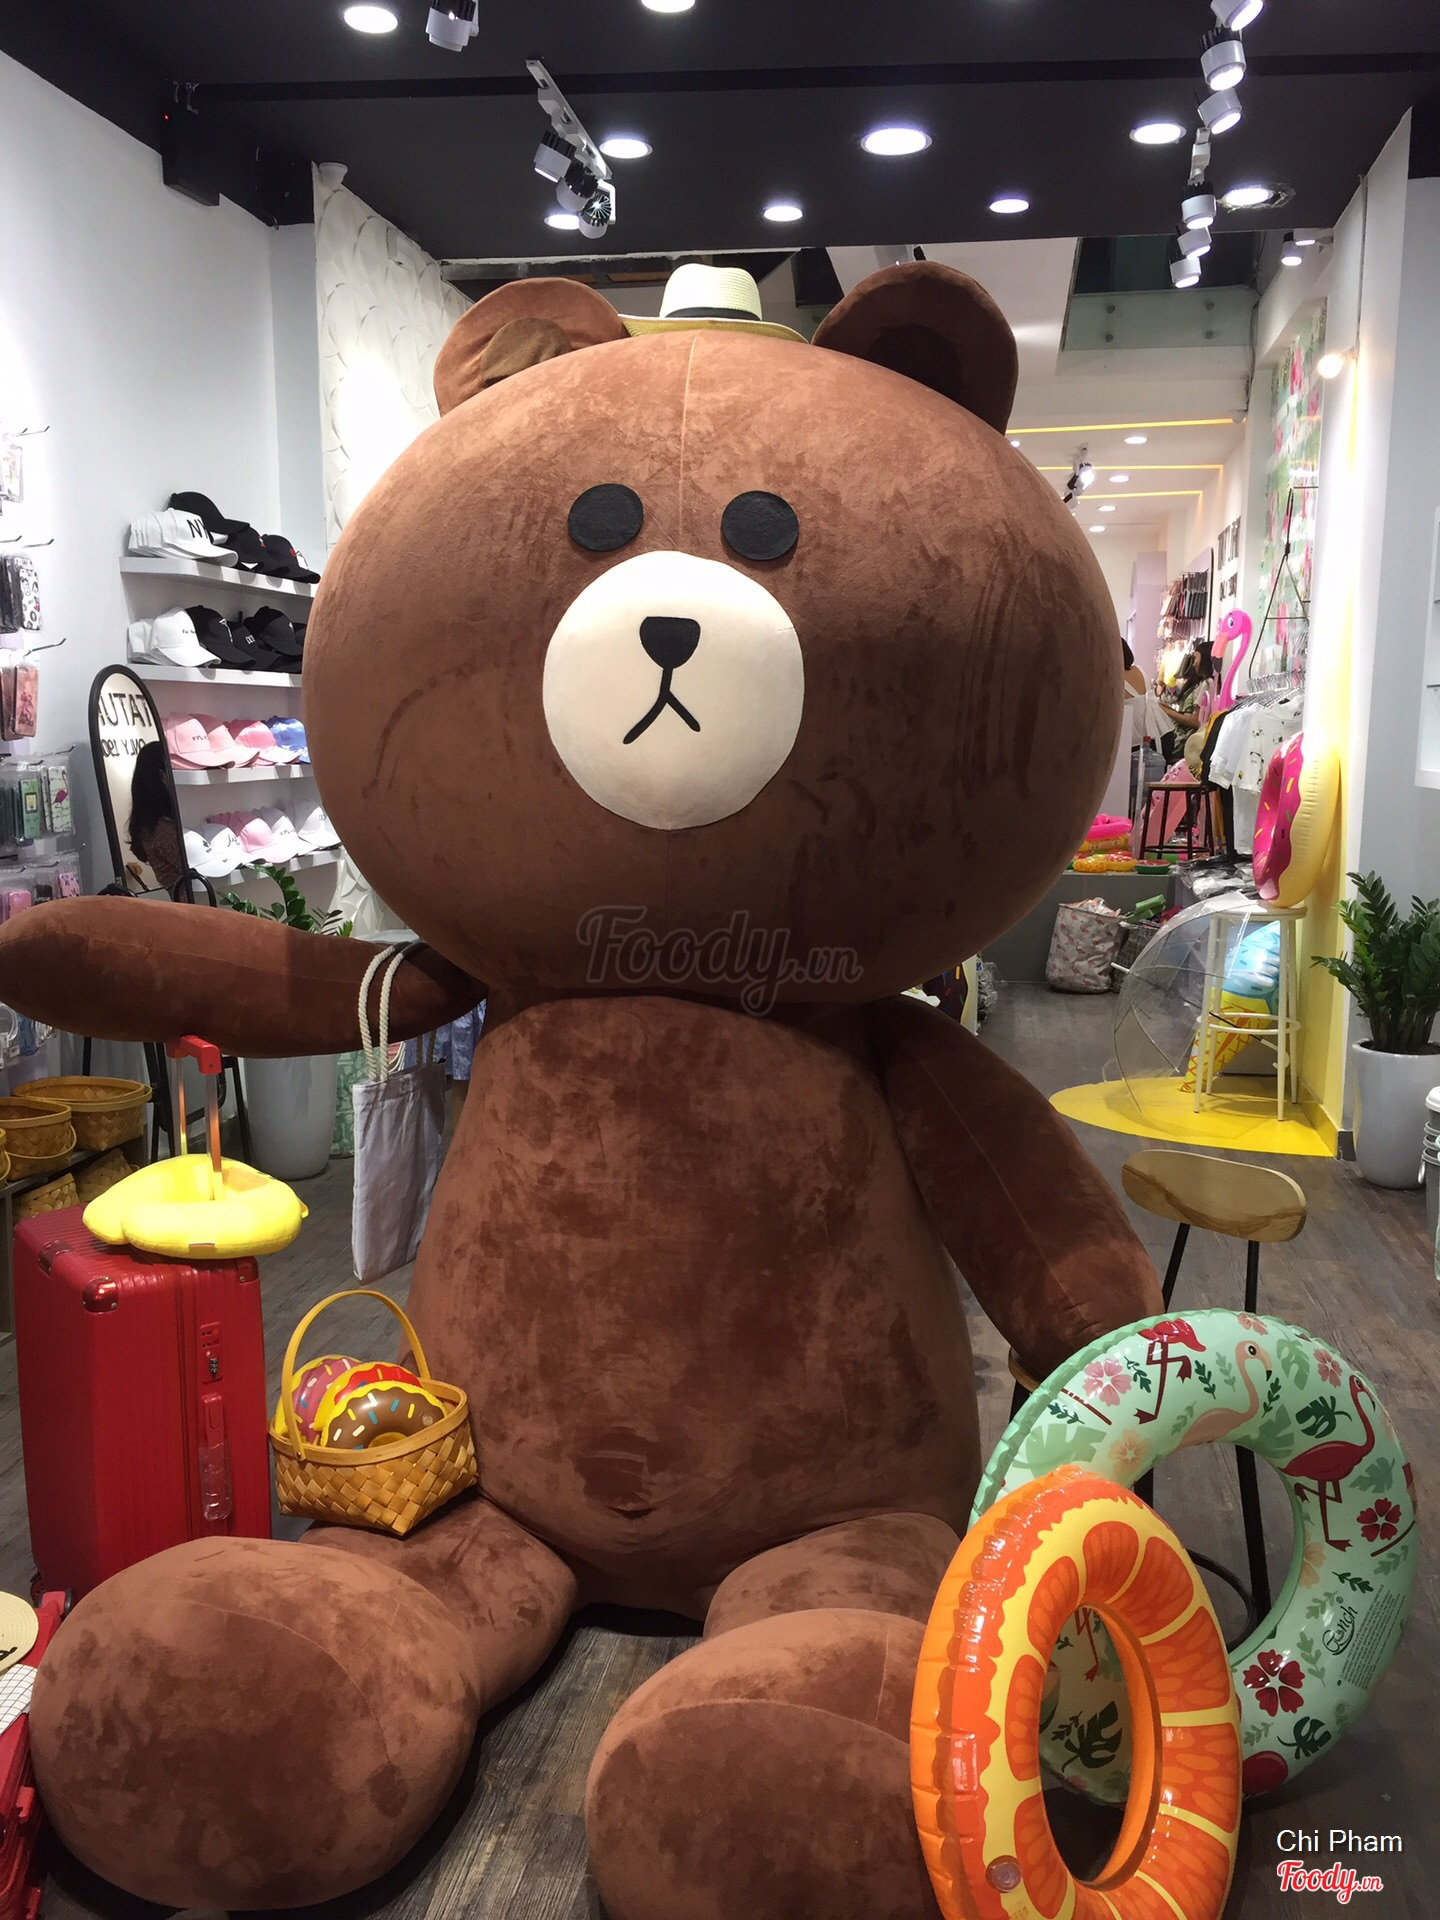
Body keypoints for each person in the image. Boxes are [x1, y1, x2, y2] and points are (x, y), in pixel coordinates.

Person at [126, 738, 183, 891]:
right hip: (191, 901)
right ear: (161, 775)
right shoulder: (160, 827)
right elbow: (189, 864)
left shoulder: (159, 823)